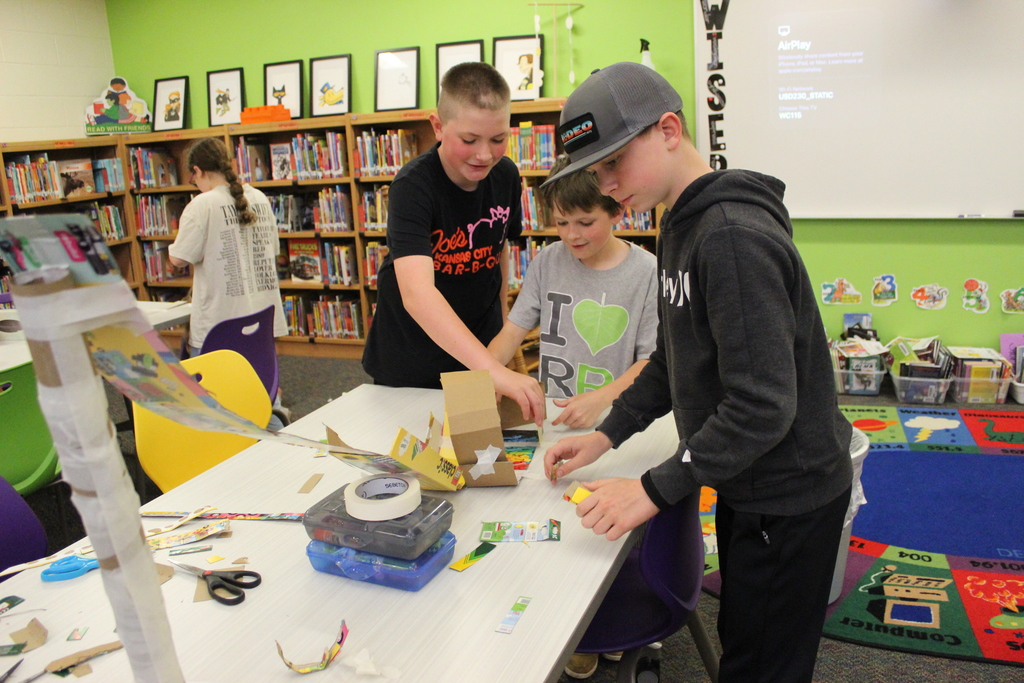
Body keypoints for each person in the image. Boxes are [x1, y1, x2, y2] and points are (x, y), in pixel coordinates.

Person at [543, 62, 853, 683]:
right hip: (749, 481)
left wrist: (652, 490)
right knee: (747, 637)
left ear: (668, 129)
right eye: (593, 172)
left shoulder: (730, 235)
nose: (605, 186)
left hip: (790, 495)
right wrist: (608, 434)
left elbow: (764, 405)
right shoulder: (678, 226)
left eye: (614, 164)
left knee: (763, 663)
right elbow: (673, 361)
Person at [361, 61, 545, 425]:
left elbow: (500, 248)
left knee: (480, 460)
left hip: (479, 349)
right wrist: (491, 368)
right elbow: (417, 294)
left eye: (498, 139)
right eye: (469, 140)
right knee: (417, 458)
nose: (484, 155)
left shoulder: (505, 174)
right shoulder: (413, 187)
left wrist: (501, 331)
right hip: (411, 359)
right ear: (438, 127)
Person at [488, 154, 657, 432]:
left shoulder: (648, 272)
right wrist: (486, 376)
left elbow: (651, 363)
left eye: (586, 223)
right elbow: (511, 334)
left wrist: (600, 400)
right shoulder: (547, 261)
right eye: (562, 223)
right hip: (556, 416)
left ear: (617, 211)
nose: (572, 236)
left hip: (617, 418)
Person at [168, 137, 288, 427]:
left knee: (211, 406)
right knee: (259, 394)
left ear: (197, 171)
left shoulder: (201, 205)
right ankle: (274, 424)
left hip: (217, 327)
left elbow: (178, 259)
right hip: (260, 322)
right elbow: (271, 250)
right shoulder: (259, 198)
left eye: (192, 178)